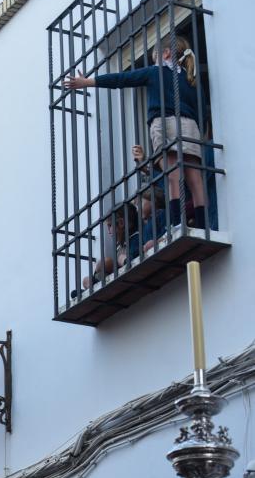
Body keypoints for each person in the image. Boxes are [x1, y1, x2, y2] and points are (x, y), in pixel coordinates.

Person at [64, 35, 207, 229]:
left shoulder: (156, 72)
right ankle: (203, 223)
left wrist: (88, 82)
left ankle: (176, 223)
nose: (153, 61)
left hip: (165, 123)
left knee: (173, 175)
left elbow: (122, 79)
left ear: (165, 53)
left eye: (154, 56)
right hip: (191, 127)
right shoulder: (190, 79)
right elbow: (201, 109)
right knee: (195, 179)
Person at [81, 203, 140, 290]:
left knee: (107, 262)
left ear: (121, 223)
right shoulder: (119, 247)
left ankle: (94, 282)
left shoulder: (135, 238)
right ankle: (94, 282)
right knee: (85, 280)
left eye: (110, 225)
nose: (108, 231)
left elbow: (135, 257)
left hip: (126, 274)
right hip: (113, 274)